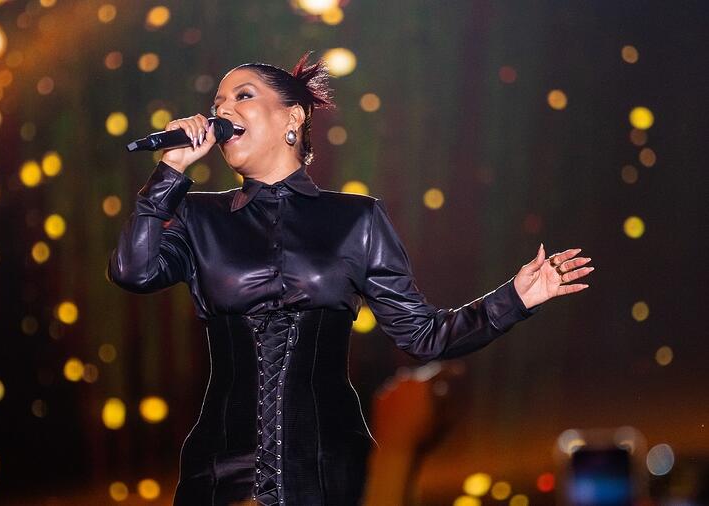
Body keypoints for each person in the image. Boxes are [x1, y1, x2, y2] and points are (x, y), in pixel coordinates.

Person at [107, 53, 593, 506]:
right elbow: (134, 271)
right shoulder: (198, 216)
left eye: (243, 95)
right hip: (222, 467)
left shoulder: (356, 219)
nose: (222, 110)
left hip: (328, 465)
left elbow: (422, 337)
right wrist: (169, 172)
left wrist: (515, 299)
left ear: (292, 117)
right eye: (217, 103)